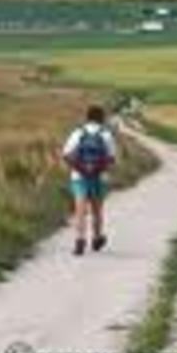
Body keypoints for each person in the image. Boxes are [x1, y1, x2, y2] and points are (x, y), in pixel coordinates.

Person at [60, 105, 117, 256]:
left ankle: (80, 240)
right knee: (97, 210)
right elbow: (111, 158)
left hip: (79, 177)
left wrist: (80, 169)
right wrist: (98, 169)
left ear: (87, 117)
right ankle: (97, 238)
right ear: (101, 118)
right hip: (99, 177)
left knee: (80, 210)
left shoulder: (78, 132)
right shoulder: (106, 134)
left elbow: (65, 155)